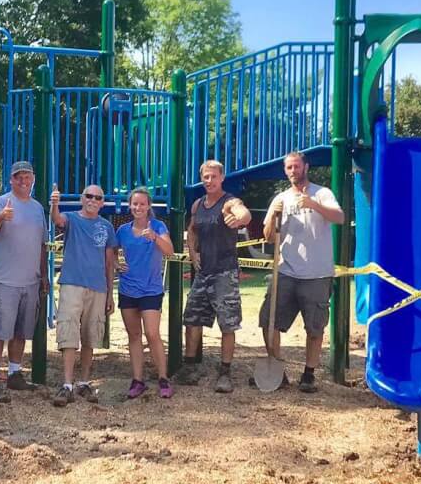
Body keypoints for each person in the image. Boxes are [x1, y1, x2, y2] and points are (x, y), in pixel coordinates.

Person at [259, 150, 344, 392]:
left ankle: (309, 374)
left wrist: (313, 205)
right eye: (289, 168)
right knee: (268, 321)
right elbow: (267, 237)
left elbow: (339, 217)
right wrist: (273, 216)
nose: (293, 171)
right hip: (285, 271)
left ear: (306, 167)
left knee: (314, 328)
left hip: (317, 274)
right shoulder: (281, 198)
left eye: (296, 166)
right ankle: (277, 370)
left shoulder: (322, 193)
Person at [178, 160, 251, 393]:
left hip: (224, 273)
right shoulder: (198, 204)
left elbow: (244, 213)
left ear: (222, 178)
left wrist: (240, 218)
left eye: (213, 177)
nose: (209, 181)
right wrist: (192, 252)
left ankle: (225, 372)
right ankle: (190, 367)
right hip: (203, 272)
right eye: (205, 177)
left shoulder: (228, 202)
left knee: (227, 324)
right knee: (192, 320)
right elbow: (192, 230)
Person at [0, 160, 47, 402]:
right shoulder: (1, 202)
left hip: (29, 281)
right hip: (4, 281)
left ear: (32, 180)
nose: (23, 181)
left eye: (27, 177)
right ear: (11, 180)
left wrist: (43, 275)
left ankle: (14, 373)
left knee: (21, 331)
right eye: (18, 177)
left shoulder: (37, 208)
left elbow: (42, 245)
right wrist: (2, 215)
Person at [48, 181, 116, 407]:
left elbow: (109, 263)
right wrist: (54, 205)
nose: (93, 201)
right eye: (89, 196)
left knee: (90, 336)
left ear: (103, 203)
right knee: (68, 334)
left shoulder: (106, 227)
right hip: (72, 284)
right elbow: (57, 220)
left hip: (98, 287)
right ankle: (67, 384)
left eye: (98, 198)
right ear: (81, 198)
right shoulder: (72, 219)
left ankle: (84, 382)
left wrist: (109, 294)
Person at [115, 187, 174, 399]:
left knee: (152, 333)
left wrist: (155, 238)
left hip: (151, 288)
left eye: (142, 204)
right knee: (134, 335)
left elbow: (170, 251)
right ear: (130, 206)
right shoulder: (122, 230)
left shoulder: (158, 226)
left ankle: (163, 378)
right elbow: (111, 250)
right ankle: (138, 380)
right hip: (128, 288)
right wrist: (116, 264)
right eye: (134, 204)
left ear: (148, 206)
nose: (138, 207)